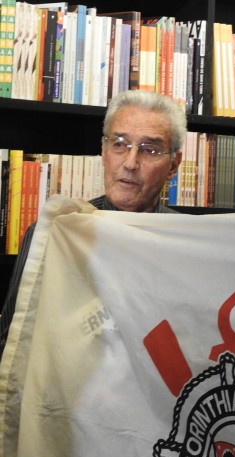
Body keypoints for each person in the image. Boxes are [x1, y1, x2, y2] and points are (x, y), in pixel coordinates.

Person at [0, 89, 186, 357]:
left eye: (150, 149)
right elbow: (12, 339)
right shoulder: (56, 233)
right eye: (119, 143)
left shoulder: (187, 241)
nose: (131, 163)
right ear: (103, 150)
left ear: (173, 165)